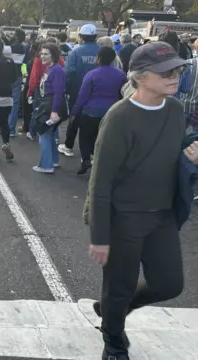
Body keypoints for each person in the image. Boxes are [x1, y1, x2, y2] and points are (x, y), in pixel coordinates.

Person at [83, 42, 193, 360]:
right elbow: (100, 181)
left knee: (169, 284)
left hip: (162, 216)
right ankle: (113, 340)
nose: (175, 76)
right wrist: (100, 236)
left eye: (177, 70)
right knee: (120, 285)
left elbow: (171, 153)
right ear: (141, 78)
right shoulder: (119, 118)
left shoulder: (174, 110)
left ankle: (113, 309)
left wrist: (192, 158)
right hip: (124, 218)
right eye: (166, 72)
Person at [69, 47, 126, 175]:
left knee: (85, 136)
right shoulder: (120, 74)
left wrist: (74, 112)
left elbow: (83, 96)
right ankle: (100, 160)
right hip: (111, 111)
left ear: (98, 58)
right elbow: (123, 93)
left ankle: (86, 159)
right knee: (104, 138)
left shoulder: (91, 74)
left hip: (90, 111)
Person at [60, 24, 100, 158]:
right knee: (95, 122)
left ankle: (69, 145)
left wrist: (65, 89)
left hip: (77, 91)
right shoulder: (102, 51)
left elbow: (69, 73)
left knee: (74, 118)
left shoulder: (76, 52)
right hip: (98, 93)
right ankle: (93, 151)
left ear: (81, 37)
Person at [33, 42, 66, 174]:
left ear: (53, 55)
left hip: (50, 106)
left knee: (44, 133)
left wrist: (54, 111)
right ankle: (53, 160)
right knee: (50, 134)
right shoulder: (50, 69)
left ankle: (46, 165)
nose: (42, 56)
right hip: (47, 104)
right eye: (42, 53)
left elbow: (59, 92)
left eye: (46, 54)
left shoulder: (57, 70)